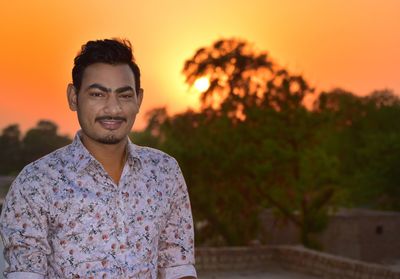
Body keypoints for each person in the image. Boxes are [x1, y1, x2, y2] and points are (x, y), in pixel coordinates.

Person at [0, 39, 197, 279]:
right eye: (97, 94)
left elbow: (178, 267)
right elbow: (25, 273)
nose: (113, 109)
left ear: (139, 99)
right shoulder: (36, 183)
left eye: (124, 96)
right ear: (74, 97)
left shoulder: (164, 172)